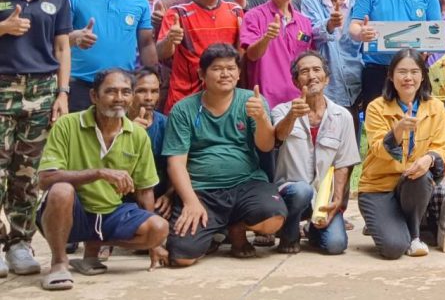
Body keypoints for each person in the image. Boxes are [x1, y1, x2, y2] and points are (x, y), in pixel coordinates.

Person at [36, 68, 169, 290]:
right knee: (61, 189)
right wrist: (98, 172)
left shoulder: (137, 135)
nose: (119, 98)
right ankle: (59, 263)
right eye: (111, 92)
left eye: (126, 92)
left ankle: (93, 247)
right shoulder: (67, 124)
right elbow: (45, 178)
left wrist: (154, 245)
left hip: (109, 214)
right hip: (72, 211)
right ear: (94, 96)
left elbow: (145, 190)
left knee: (159, 228)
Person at [162, 43, 286, 266]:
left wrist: (261, 119)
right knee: (182, 256)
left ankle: (236, 228)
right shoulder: (183, 109)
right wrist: (190, 201)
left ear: (239, 73)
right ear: (202, 74)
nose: (225, 73)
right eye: (217, 68)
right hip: (203, 191)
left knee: (273, 220)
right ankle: (216, 230)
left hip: (247, 183)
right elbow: (176, 163)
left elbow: (266, 147)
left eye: (231, 68)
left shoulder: (252, 101)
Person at [0, 0, 72, 277]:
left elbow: (62, 47)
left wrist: (62, 94)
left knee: (26, 174)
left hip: (42, 91)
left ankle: (19, 244)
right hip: (2, 85)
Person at [358, 48, 445, 259]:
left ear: (422, 76)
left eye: (414, 72)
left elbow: (443, 146)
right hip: (378, 187)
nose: (408, 77)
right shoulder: (376, 107)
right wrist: (398, 130)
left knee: (421, 174)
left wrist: (429, 158)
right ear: (390, 76)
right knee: (393, 248)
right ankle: (383, 221)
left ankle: (415, 234)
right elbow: (378, 150)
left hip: (411, 183)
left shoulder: (435, 107)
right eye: (401, 72)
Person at [271, 52, 360, 255]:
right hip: (290, 194)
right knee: (302, 190)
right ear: (295, 81)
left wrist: (337, 199)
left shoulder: (342, 116)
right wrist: (292, 116)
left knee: (335, 245)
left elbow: (343, 163)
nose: (312, 76)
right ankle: (288, 231)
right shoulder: (282, 111)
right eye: (304, 71)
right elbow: (279, 136)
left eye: (317, 70)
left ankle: (311, 228)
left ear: (327, 78)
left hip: (322, 198)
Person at [349, 0, 442, 114]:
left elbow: (436, 33)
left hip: (414, 72)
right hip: (377, 71)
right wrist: (361, 33)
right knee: (378, 127)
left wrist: (428, 48)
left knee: (417, 125)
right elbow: (354, 26)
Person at [67, 0, 156, 112]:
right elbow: (57, 39)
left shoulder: (139, 1)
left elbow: (146, 43)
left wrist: (153, 74)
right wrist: (75, 37)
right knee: (79, 137)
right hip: (81, 86)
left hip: (122, 87)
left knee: (118, 138)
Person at [157, 0, 244, 113]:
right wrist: (170, 39)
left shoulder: (235, 10)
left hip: (222, 96)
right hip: (185, 94)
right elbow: (161, 53)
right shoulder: (178, 12)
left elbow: (241, 55)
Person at [242, 0, 315, 109]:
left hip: (297, 101)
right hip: (263, 101)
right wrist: (267, 38)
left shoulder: (305, 22)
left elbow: (308, 61)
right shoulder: (253, 16)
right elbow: (251, 55)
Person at [300, 0, 364, 115]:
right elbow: (310, 32)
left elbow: (363, 44)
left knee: (351, 134)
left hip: (354, 82)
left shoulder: (359, 3)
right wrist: (329, 24)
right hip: (324, 82)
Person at [128, 67, 172, 215]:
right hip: (121, 198)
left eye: (154, 91)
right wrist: (127, 135)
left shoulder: (166, 125)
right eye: (141, 91)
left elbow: (179, 166)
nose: (149, 97)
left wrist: (170, 195)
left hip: (160, 198)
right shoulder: (114, 124)